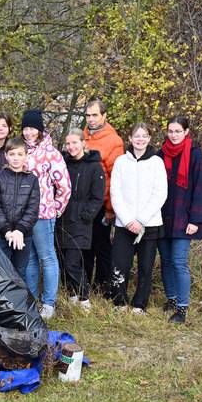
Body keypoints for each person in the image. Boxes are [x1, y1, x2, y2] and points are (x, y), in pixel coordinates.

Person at [109, 123, 167, 313]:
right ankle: (119, 302)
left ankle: (139, 304)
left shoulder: (157, 162)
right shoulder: (121, 162)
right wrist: (127, 220)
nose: (140, 139)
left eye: (144, 136)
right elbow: (115, 193)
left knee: (145, 266)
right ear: (130, 139)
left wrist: (140, 220)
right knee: (120, 264)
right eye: (137, 136)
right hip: (124, 224)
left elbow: (160, 193)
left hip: (149, 224)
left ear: (149, 139)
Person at [21, 110, 71, 320]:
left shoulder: (51, 153)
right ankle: (32, 299)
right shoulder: (20, 150)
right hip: (23, 215)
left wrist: (54, 209)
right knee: (30, 259)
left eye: (32, 128)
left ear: (40, 130)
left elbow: (64, 186)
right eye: (25, 128)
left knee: (47, 257)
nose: (29, 132)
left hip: (43, 215)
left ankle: (49, 302)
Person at [157, 116, 202, 324]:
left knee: (179, 261)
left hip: (184, 217)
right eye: (171, 131)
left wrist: (195, 219)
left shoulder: (195, 154)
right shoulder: (160, 154)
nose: (174, 135)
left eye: (178, 131)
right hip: (161, 216)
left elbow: (200, 188)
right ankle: (171, 298)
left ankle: (182, 308)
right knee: (166, 261)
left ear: (186, 132)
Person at [57, 129, 105, 309]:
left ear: (84, 143)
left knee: (73, 261)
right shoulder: (63, 163)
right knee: (63, 261)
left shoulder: (94, 166)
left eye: (75, 143)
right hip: (62, 219)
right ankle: (71, 294)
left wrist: (86, 215)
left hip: (81, 222)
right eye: (68, 144)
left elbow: (97, 196)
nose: (71, 147)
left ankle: (84, 297)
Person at [83, 100, 124, 295]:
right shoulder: (82, 135)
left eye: (94, 115)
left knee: (102, 246)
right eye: (88, 115)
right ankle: (84, 285)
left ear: (104, 116)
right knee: (85, 245)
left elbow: (115, 178)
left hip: (102, 203)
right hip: (83, 202)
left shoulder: (113, 141)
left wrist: (110, 209)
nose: (91, 119)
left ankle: (102, 286)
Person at [0, 137, 39, 279]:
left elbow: (33, 209)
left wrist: (20, 231)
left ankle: (18, 302)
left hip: (23, 236)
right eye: (12, 154)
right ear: (6, 156)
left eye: (20, 154)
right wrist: (7, 231)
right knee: (1, 273)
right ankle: (2, 302)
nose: (16, 158)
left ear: (26, 156)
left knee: (19, 272)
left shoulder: (32, 180)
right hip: (1, 235)